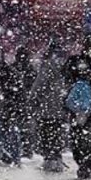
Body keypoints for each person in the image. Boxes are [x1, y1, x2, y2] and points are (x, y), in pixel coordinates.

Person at [62, 35, 91, 180]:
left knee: (78, 137)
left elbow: (65, 79)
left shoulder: (75, 61)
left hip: (77, 109)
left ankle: (83, 163)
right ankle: (86, 164)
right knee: (88, 138)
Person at [29, 41, 69, 172]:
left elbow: (38, 87)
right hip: (61, 108)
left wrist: (33, 100)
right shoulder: (65, 66)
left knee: (47, 133)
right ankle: (57, 158)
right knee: (57, 133)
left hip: (47, 108)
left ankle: (50, 159)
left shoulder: (47, 67)